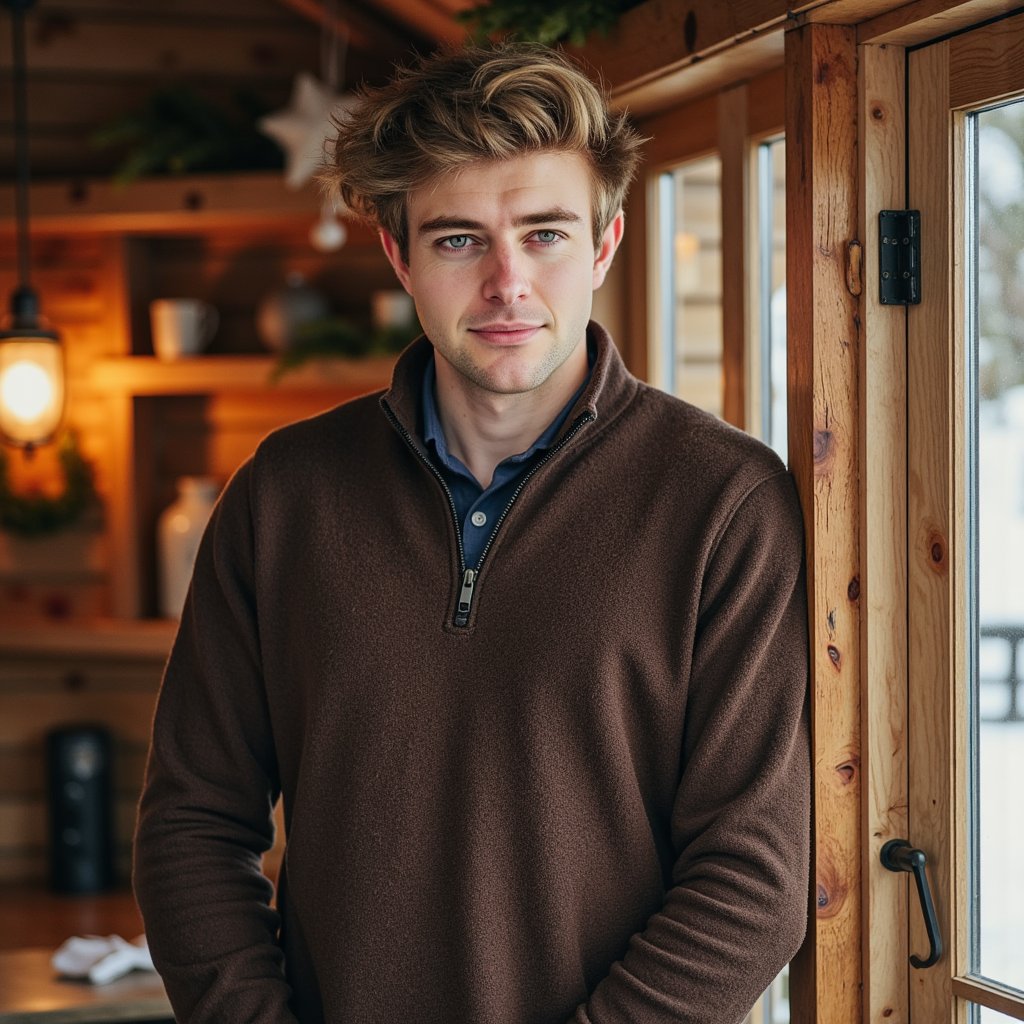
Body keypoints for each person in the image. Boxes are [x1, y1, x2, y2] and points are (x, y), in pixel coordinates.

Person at [133, 42, 810, 1024]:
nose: (506, 284)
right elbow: (193, 823)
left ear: (605, 244)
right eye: (458, 240)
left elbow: (753, 874)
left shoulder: (723, 503)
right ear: (398, 254)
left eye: (543, 235)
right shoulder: (283, 496)